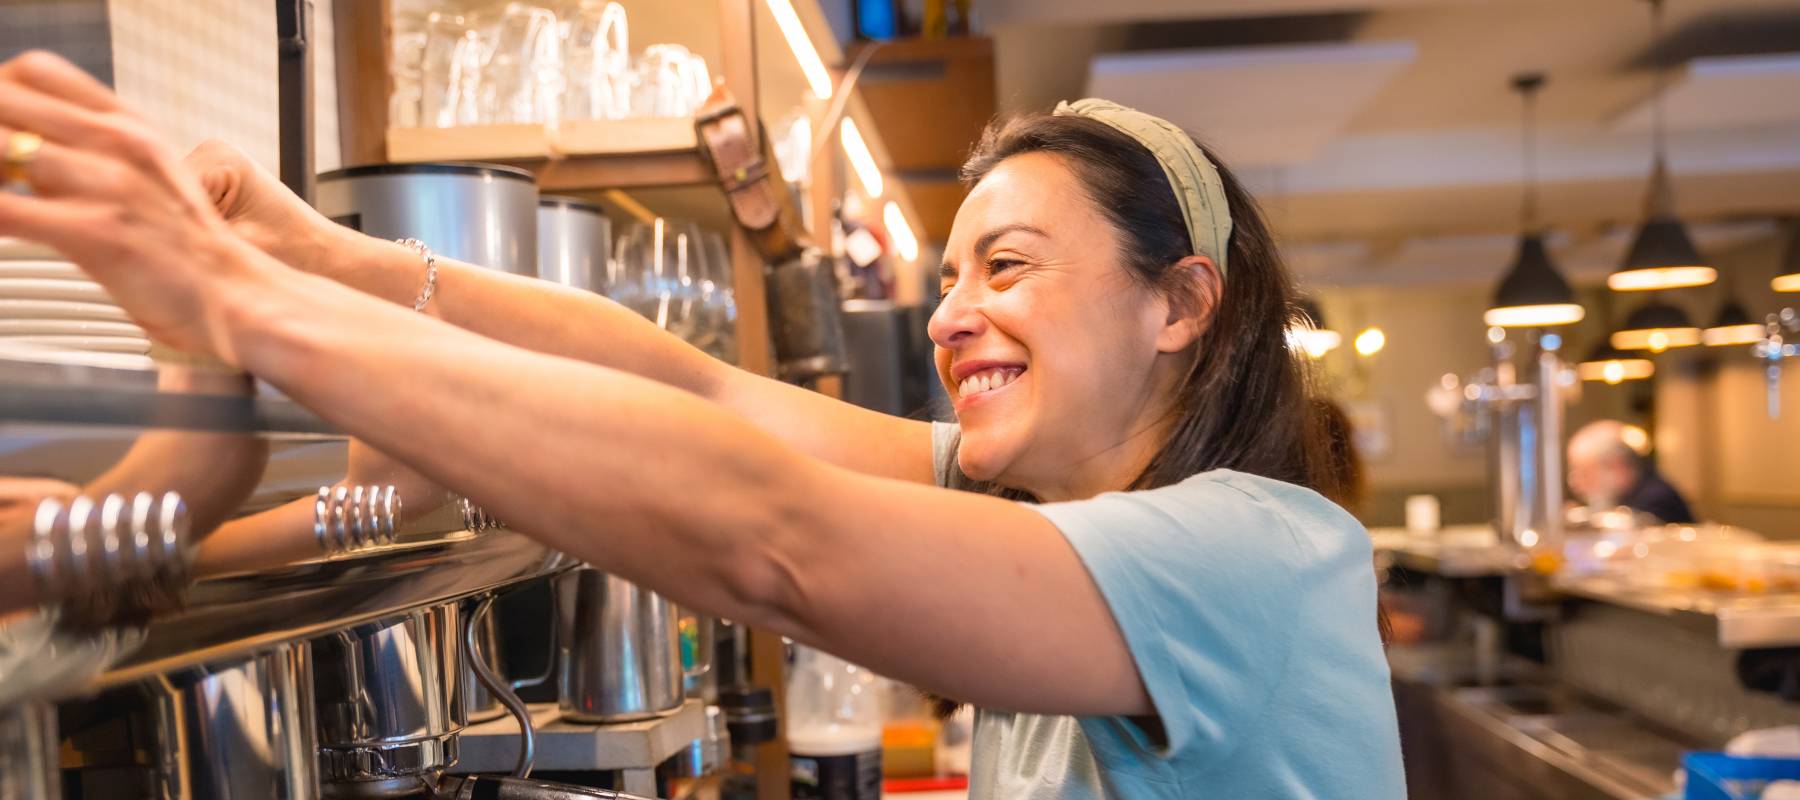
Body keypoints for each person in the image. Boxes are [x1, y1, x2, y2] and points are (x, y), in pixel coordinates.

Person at [0, 51, 1405, 798]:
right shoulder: (1062, 514)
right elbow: (705, 395)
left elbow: (769, 539)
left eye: (1012, 266)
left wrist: (237, 305)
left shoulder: (1250, 556)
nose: (952, 313)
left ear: (1180, 304)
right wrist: (324, 259)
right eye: (955, 273)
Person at [1567, 420, 1696, 525]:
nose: (1575, 483)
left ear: (1616, 466)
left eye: (1584, 473)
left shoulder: (1657, 500)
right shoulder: (1626, 495)